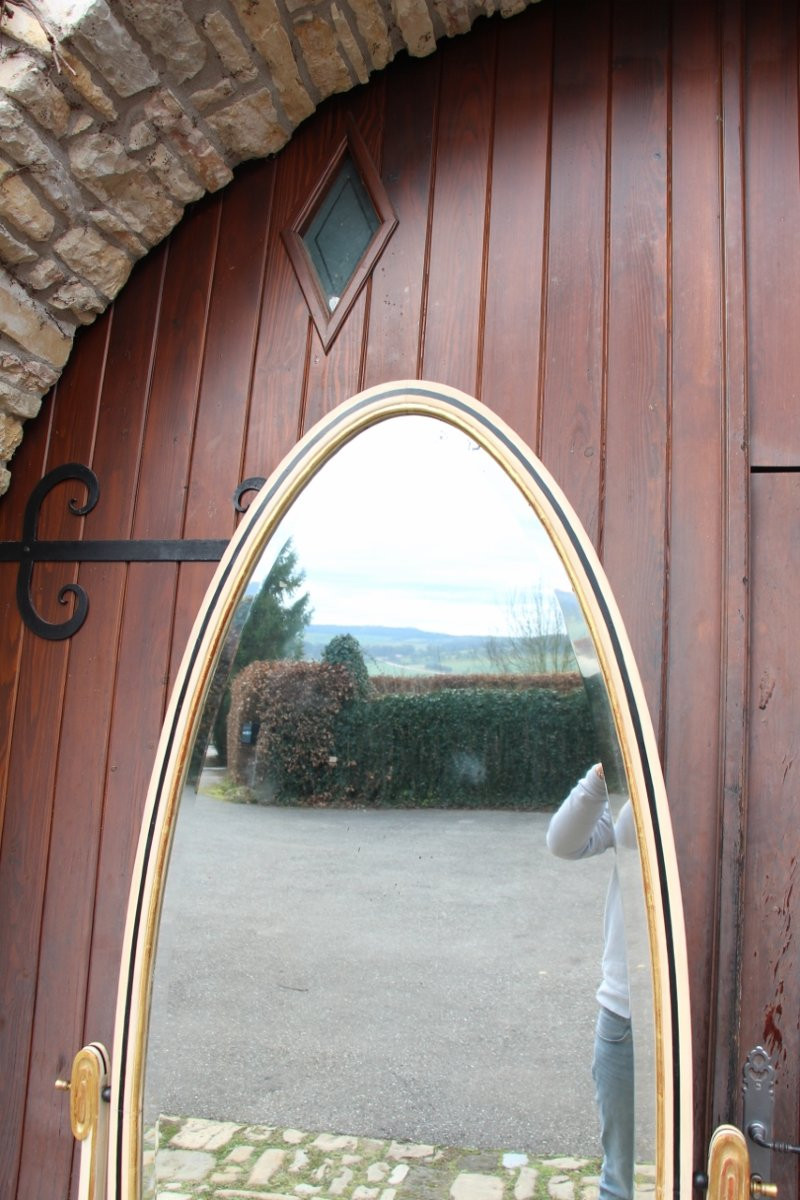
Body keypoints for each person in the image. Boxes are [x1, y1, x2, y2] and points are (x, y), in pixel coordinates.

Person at [546, 763, 637, 1200]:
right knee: (620, 1182)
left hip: (707, 1001)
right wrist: (599, 780)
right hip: (626, 1011)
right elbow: (563, 842)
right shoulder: (633, 782)